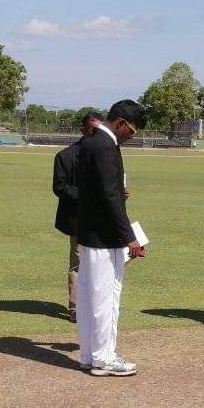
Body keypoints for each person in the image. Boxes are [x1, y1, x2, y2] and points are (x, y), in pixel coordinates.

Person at [75, 99, 147, 377]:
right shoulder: (106, 145)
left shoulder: (89, 143)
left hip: (89, 232)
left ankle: (89, 354)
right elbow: (110, 196)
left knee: (88, 298)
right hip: (105, 237)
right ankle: (104, 358)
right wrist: (129, 236)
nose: (132, 136)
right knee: (106, 299)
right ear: (119, 123)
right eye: (132, 130)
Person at [52, 111, 102, 323]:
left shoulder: (106, 154)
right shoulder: (65, 156)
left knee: (103, 262)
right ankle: (75, 307)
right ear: (83, 130)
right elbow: (60, 188)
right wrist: (88, 195)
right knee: (78, 263)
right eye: (92, 130)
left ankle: (97, 302)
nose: (96, 134)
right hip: (79, 219)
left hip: (104, 219)